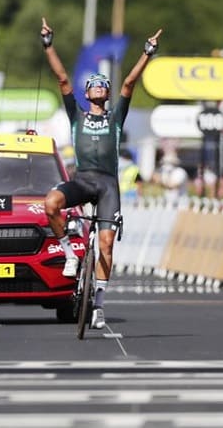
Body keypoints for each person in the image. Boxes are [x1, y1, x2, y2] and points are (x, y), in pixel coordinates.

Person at [40, 17, 162, 330]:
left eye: (101, 85)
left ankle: (99, 305)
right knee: (51, 203)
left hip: (108, 186)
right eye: (92, 84)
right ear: (87, 93)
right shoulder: (77, 116)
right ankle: (68, 252)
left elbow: (129, 84)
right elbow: (62, 78)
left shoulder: (117, 117)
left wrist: (147, 53)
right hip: (82, 181)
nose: (96, 87)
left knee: (106, 244)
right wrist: (49, 46)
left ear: (106, 94)